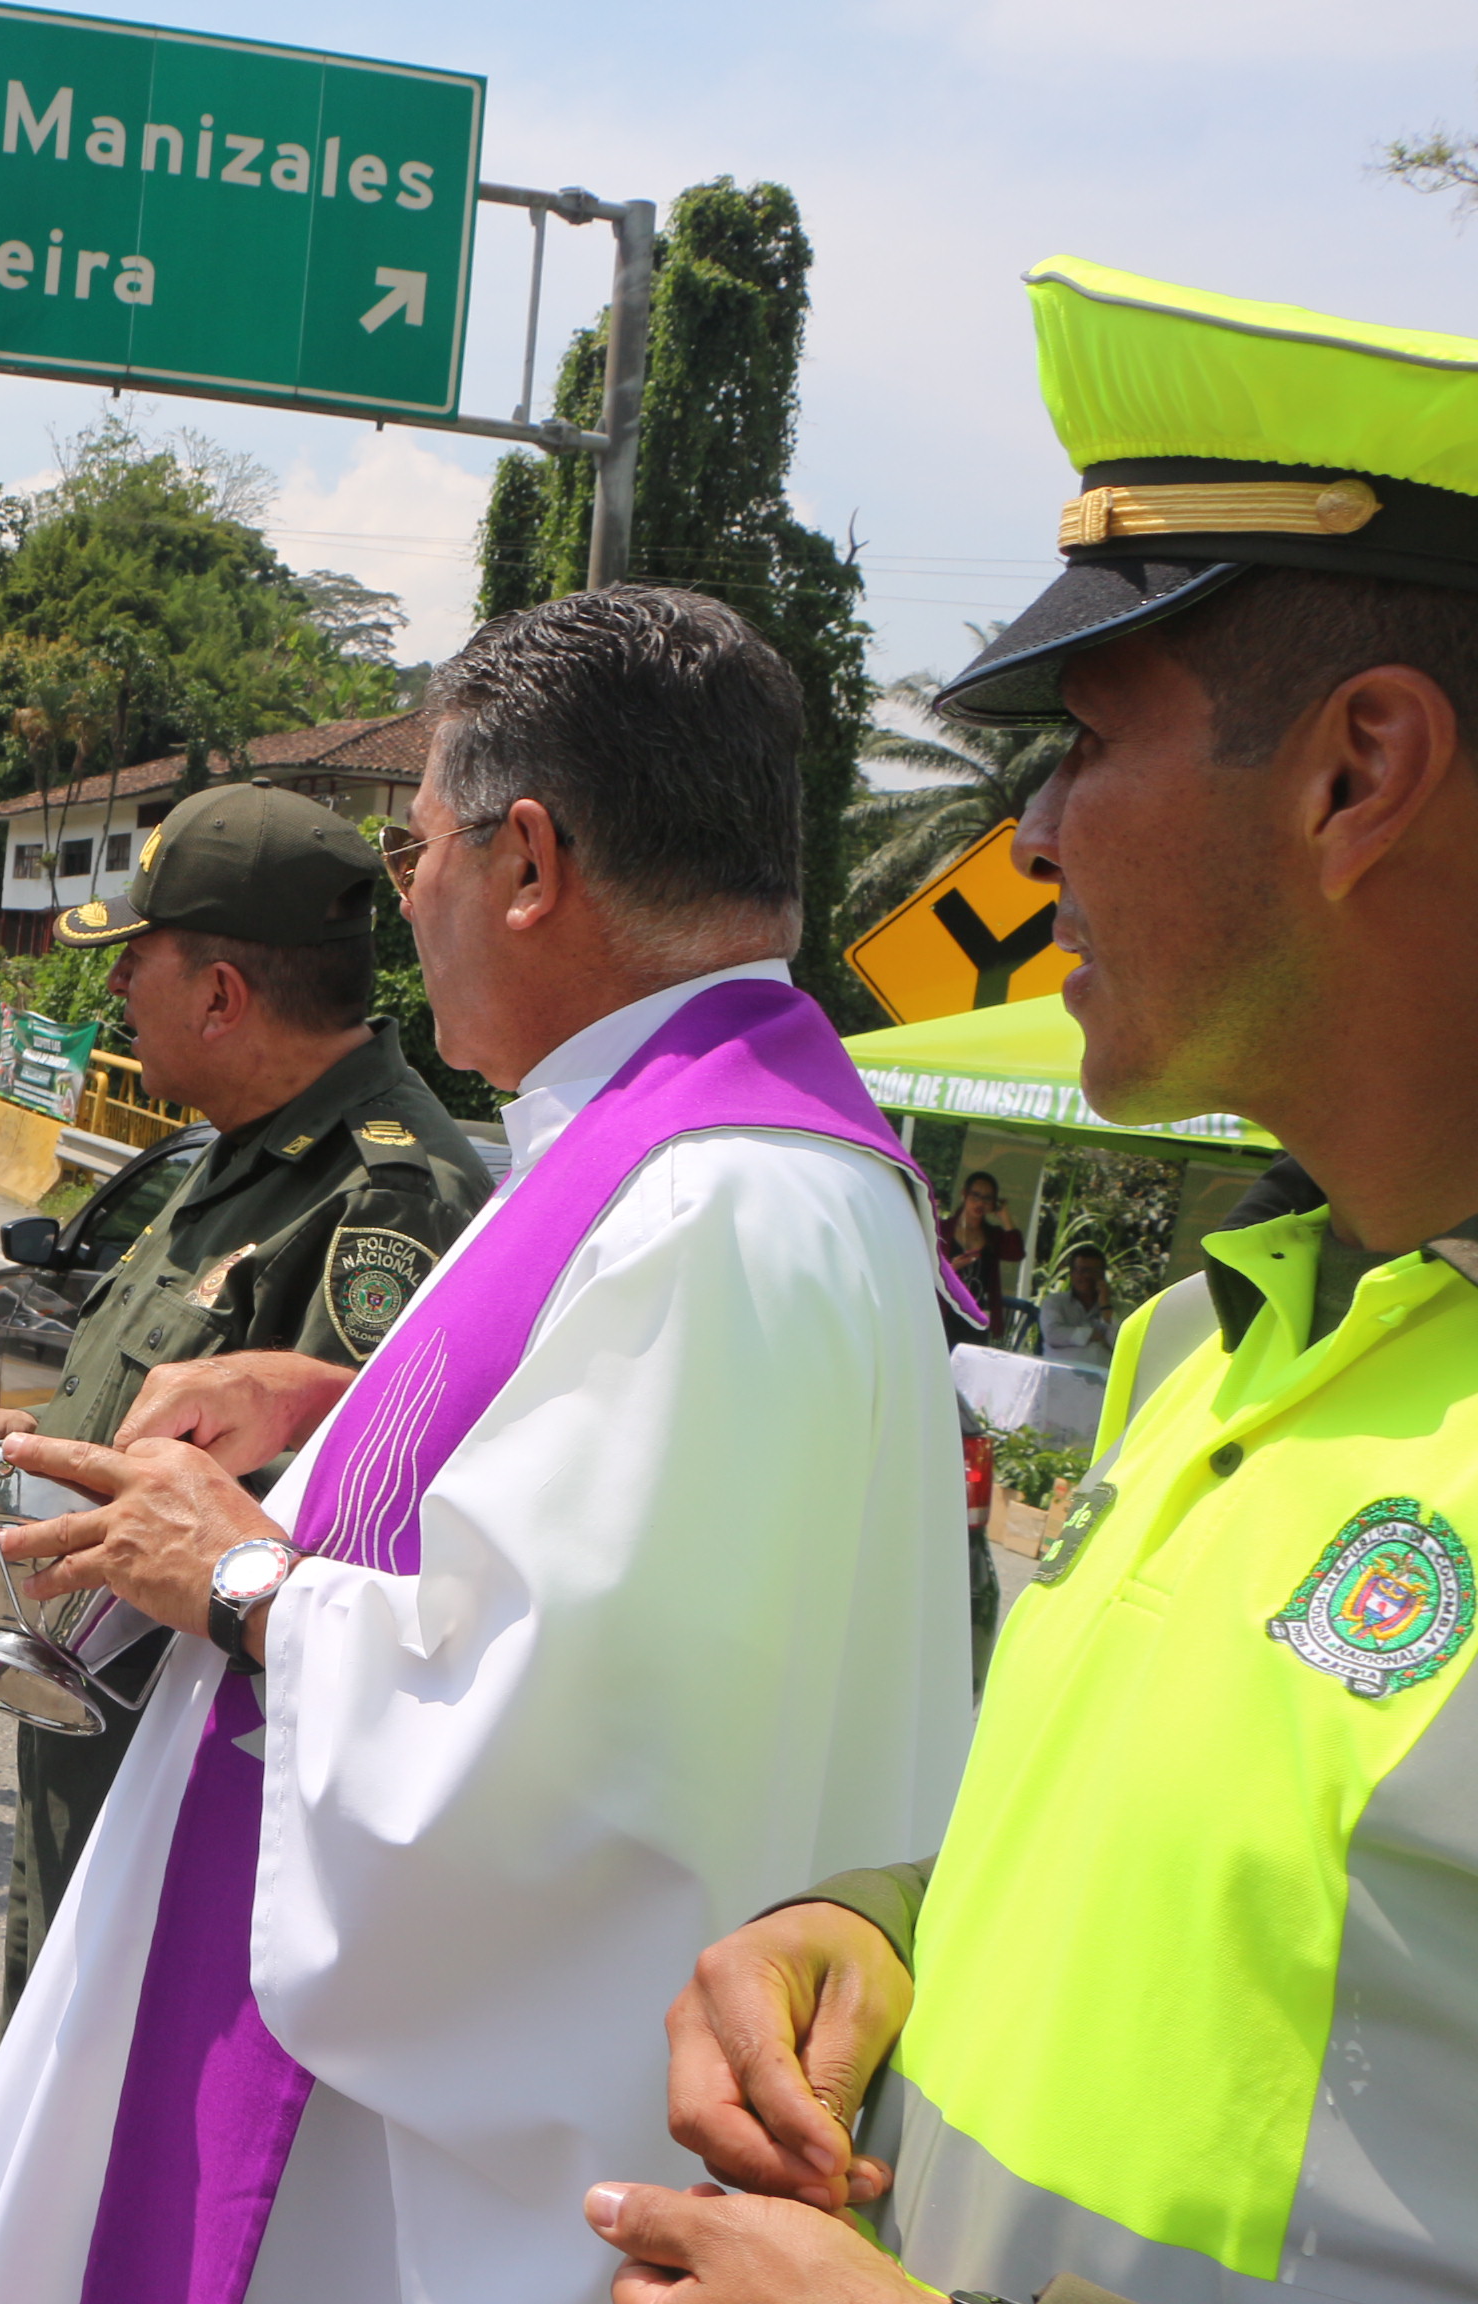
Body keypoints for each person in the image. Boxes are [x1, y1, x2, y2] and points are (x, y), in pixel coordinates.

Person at [0, 585, 976, 2304]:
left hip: (443, 2191)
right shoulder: (667, 1150)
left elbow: (551, 1753)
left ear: (527, 860)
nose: (407, 901)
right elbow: (602, 1533)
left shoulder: (709, 1198)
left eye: (419, 849)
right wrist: (333, 1413)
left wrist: (237, 1568)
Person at [591, 261, 1478, 2299]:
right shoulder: (1207, 1339)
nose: (1034, 839)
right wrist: (897, 1929)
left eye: (1076, 748)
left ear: (1360, 774)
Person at [0, 777, 493, 2018]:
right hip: (105, 1753)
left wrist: (38, 1527)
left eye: (134, 963)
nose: (111, 991)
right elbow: (191, 1427)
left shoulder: (383, 1196)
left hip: (195, 1799)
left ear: (223, 996)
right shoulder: (244, 1143)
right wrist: (39, 1446)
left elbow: (319, 1533)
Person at [940, 1169, 1025, 1321]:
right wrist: (951, 1270)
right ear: (964, 1194)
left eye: (987, 1198)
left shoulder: (992, 1235)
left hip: (977, 1313)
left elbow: (1016, 1254)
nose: (980, 1203)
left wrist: (1006, 1218)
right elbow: (925, 1272)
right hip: (943, 1309)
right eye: (975, 1195)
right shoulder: (942, 1229)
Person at [1037, 1243, 1116, 1364]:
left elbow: (1120, 1343)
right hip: (1061, 1374)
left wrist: (1105, 1305)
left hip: (1103, 1377)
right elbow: (1052, 1334)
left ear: (1103, 1275)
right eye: (1081, 1270)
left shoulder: (1119, 1307)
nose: (1087, 1276)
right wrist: (1092, 1334)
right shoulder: (1055, 1302)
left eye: (1093, 1271)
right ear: (1072, 1274)